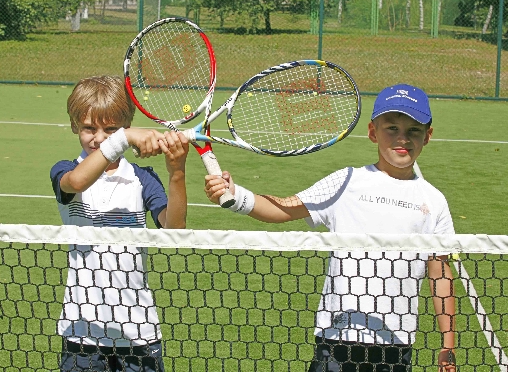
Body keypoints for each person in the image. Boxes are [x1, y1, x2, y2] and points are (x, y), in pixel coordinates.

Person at [204, 84, 456, 372]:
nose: (403, 138)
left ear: (428, 136)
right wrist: (238, 197)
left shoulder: (434, 201)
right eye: (392, 128)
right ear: (373, 132)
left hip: (396, 344)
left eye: (413, 130)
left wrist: (448, 344)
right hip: (337, 342)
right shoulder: (347, 181)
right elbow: (283, 207)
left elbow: (440, 273)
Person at [50, 75, 189, 372]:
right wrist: (122, 138)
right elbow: (76, 182)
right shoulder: (66, 171)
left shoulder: (143, 178)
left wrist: (176, 171)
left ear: (126, 123)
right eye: (89, 128)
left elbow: (174, 230)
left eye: (110, 129)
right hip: (81, 331)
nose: (99, 138)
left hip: (138, 331)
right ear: (75, 125)